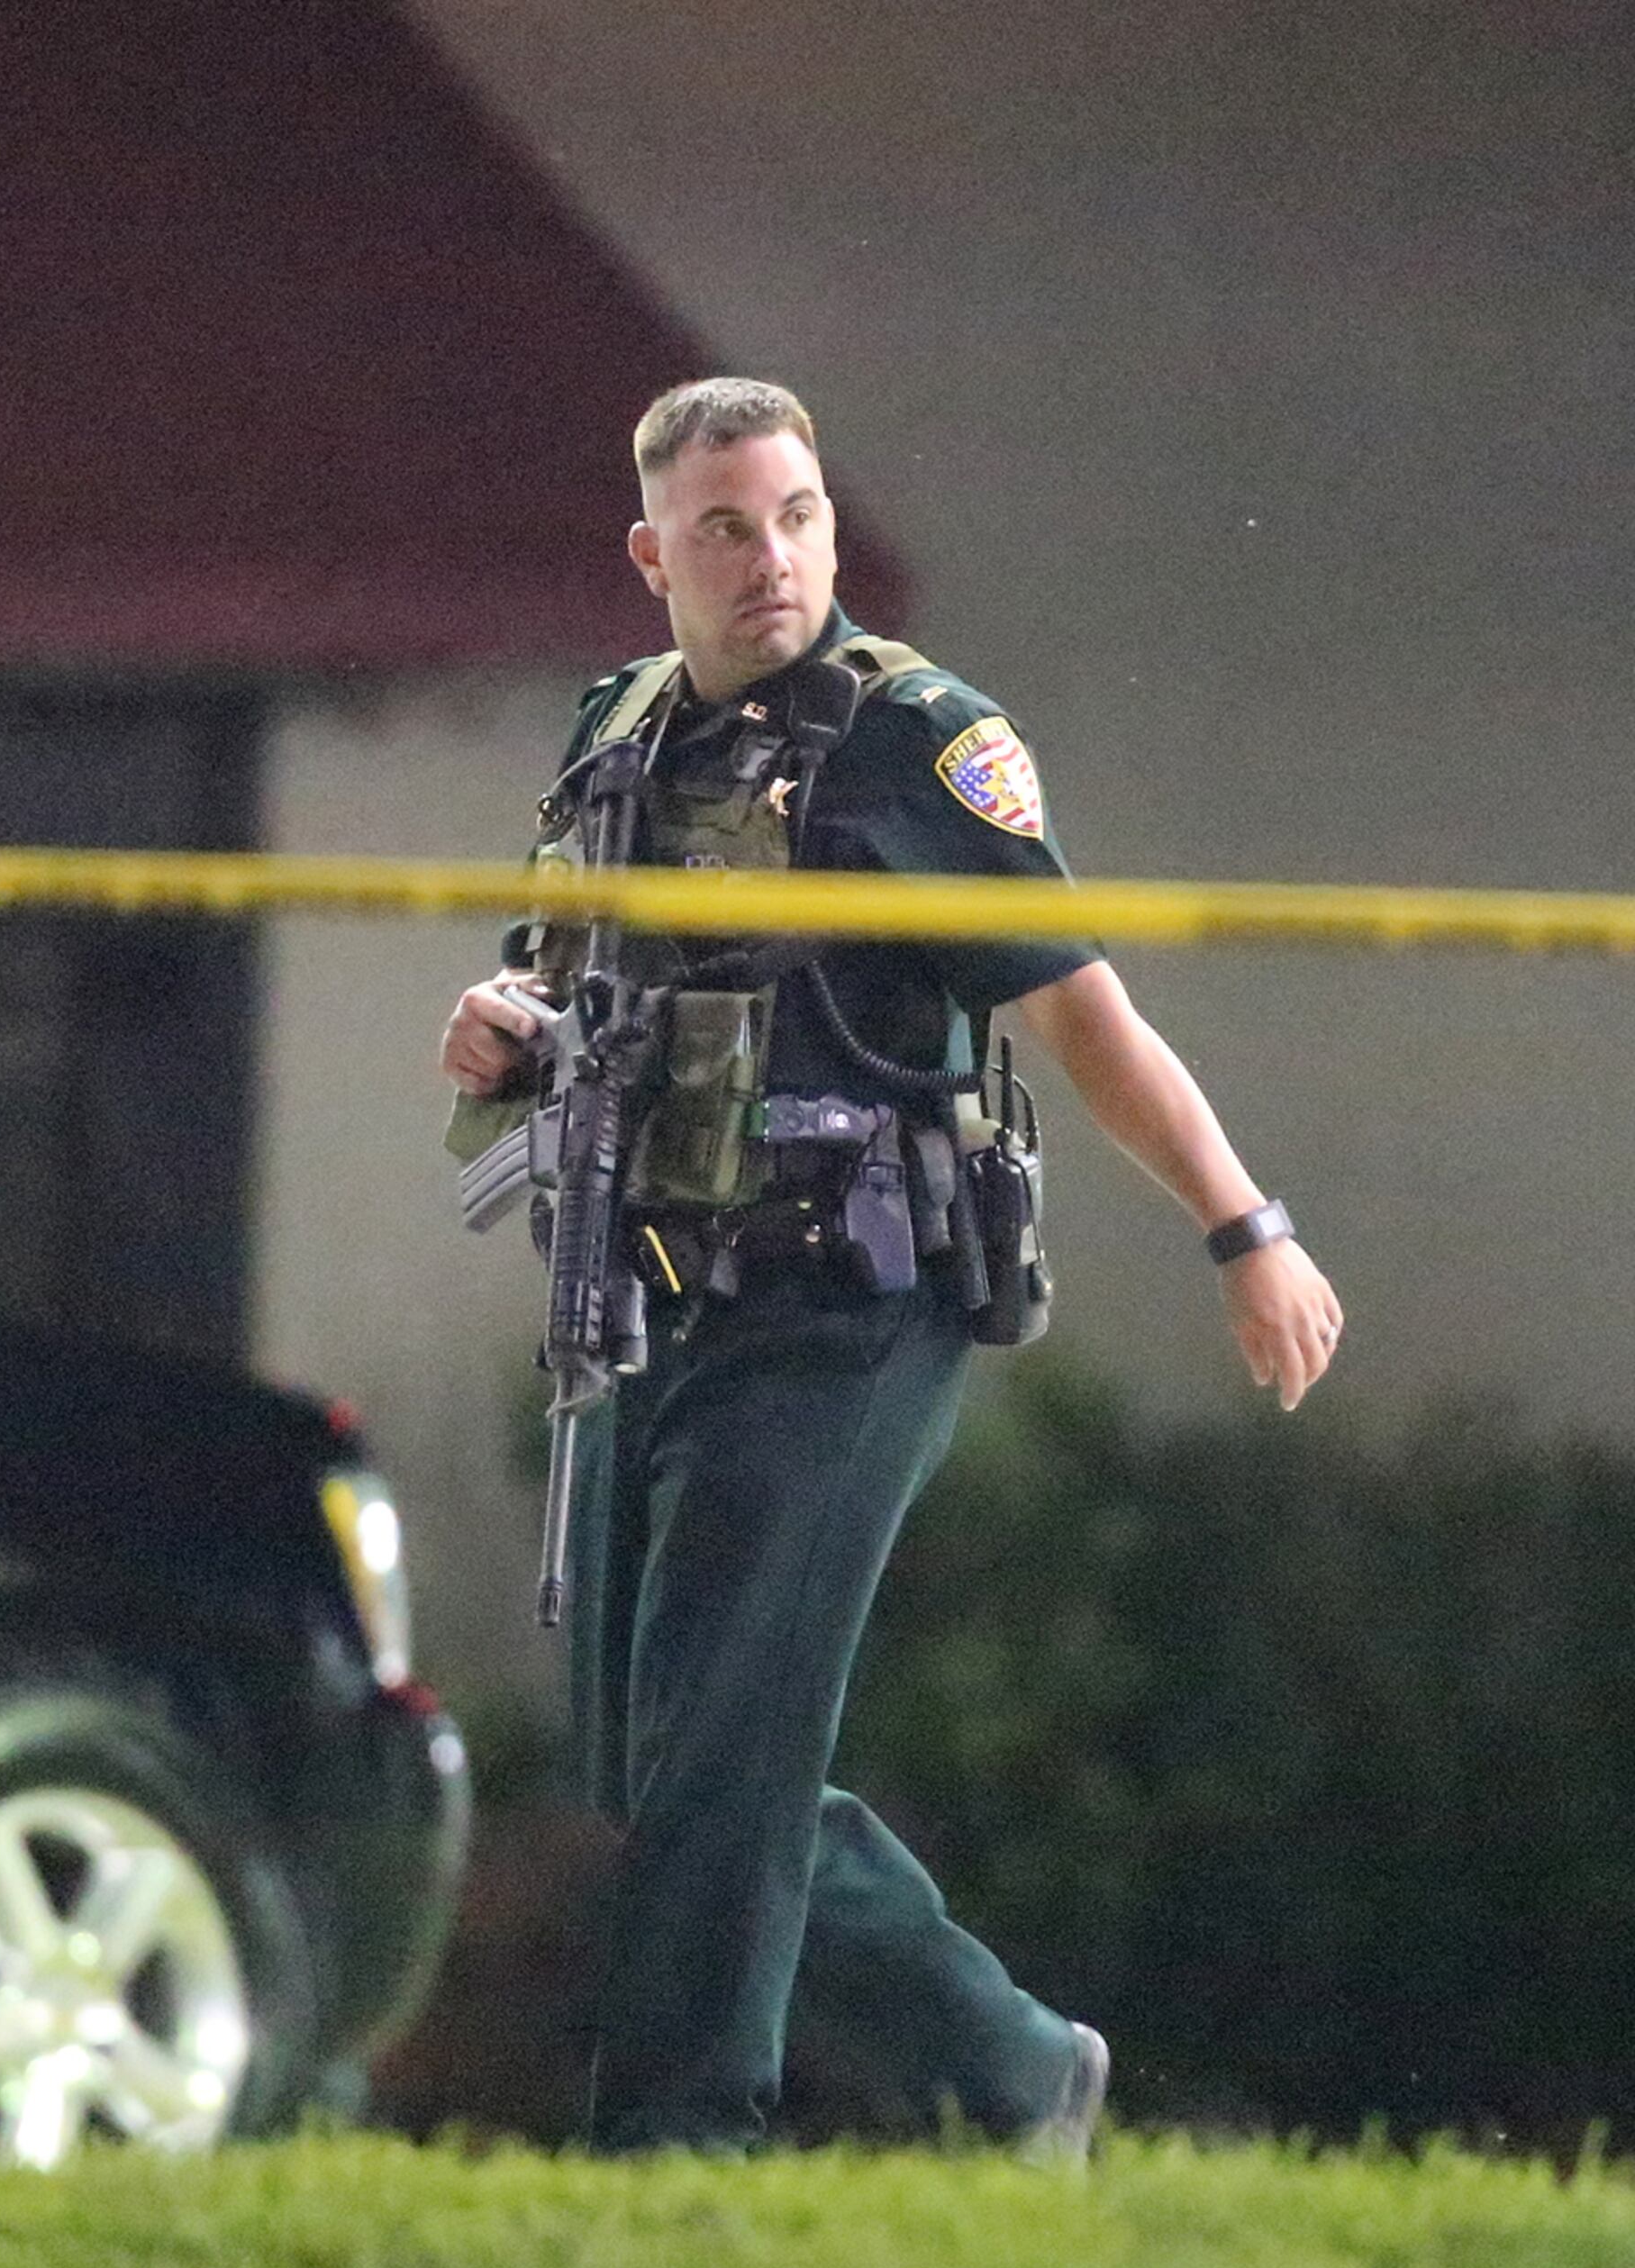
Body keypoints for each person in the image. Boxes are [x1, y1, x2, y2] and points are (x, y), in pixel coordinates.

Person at [440, 376, 1343, 2157]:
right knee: (657, 1765)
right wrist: (501, 1027)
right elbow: (579, 978)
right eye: (723, 527)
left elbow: (1084, 1011)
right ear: (652, 555)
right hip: (649, 1296)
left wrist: (1247, 1225)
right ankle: (1013, 2067)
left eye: (795, 517)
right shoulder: (618, 731)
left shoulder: (908, 740)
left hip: (852, 1306)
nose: (769, 557)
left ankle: (679, 2147)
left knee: (714, 1764)